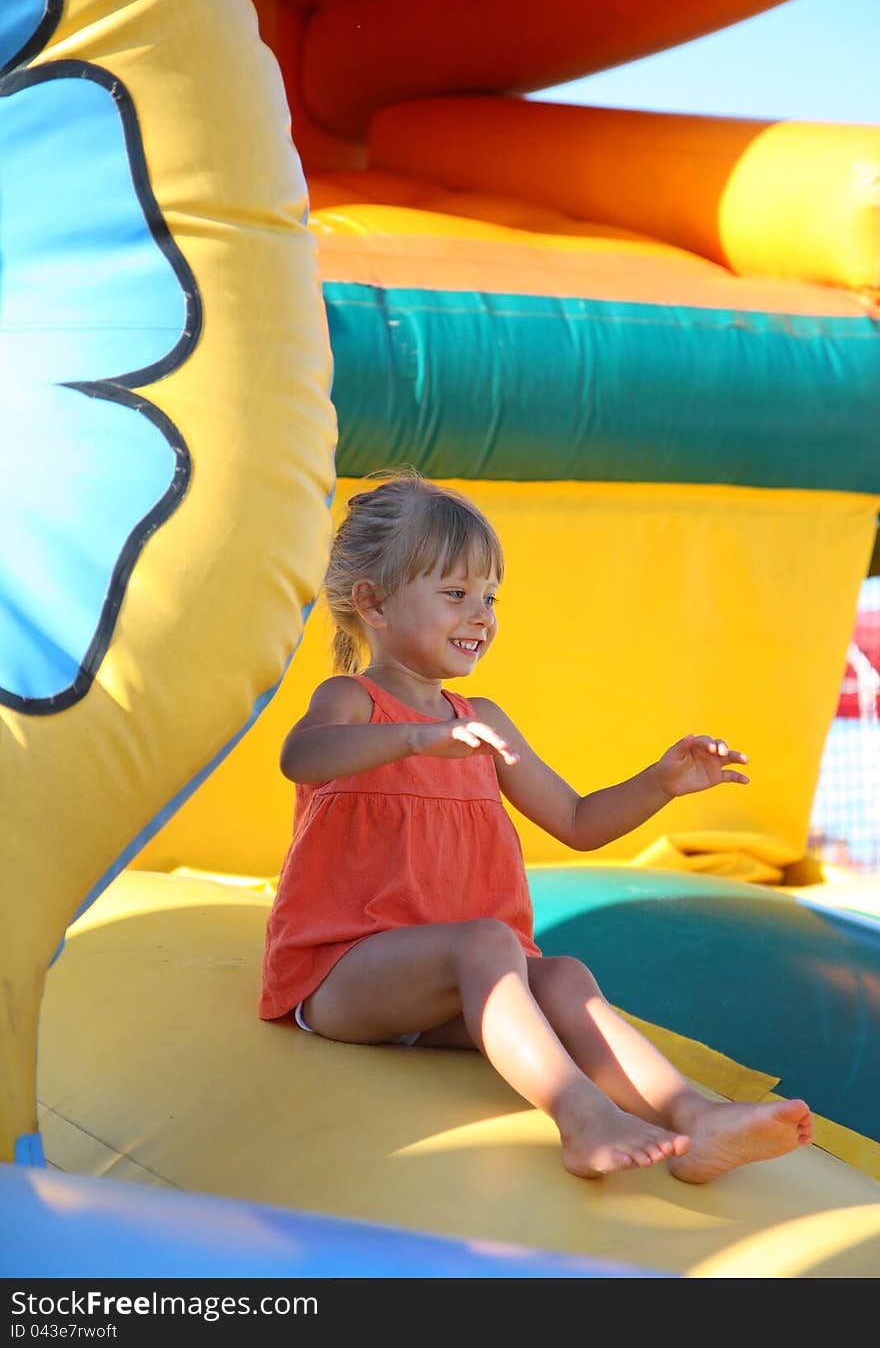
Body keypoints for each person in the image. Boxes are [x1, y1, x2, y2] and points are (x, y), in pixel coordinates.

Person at [260, 470, 813, 1182]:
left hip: (449, 987)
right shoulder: (353, 701)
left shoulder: (481, 721)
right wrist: (414, 741)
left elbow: (577, 821)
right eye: (455, 594)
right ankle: (583, 1120)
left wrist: (660, 782)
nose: (481, 615)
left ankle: (695, 1117)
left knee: (560, 977)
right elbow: (299, 758)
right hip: (343, 979)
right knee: (490, 945)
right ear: (373, 603)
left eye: (489, 597)